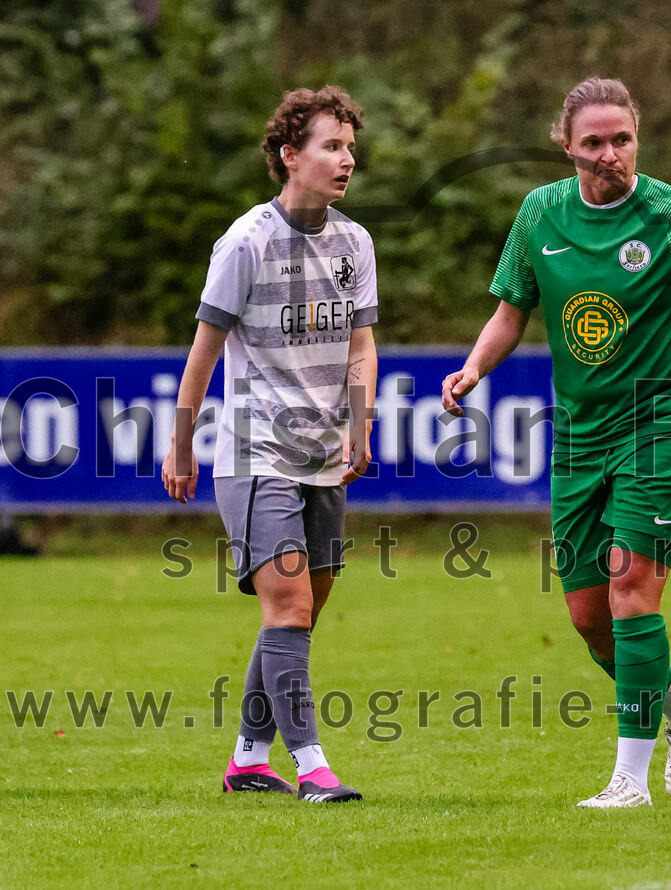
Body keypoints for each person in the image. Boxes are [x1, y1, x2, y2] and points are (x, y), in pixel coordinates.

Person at [442, 76, 671, 808]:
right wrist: (473, 367)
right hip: (580, 436)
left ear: (636, 138)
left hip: (663, 427)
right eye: (594, 143)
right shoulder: (539, 213)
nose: (610, 154)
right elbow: (509, 313)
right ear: (566, 147)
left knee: (630, 591)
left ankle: (628, 781)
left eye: (622, 139)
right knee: (587, 616)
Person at [161, 86, 378, 803]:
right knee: (287, 610)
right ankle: (313, 766)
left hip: (323, 456)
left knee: (302, 608)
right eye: (331, 146)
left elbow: (361, 341)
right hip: (256, 454)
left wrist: (361, 419)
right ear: (291, 155)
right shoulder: (246, 241)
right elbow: (205, 347)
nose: (347, 158)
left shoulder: (354, 244)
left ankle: (249, 758)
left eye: (349, 146)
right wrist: (181, 440)